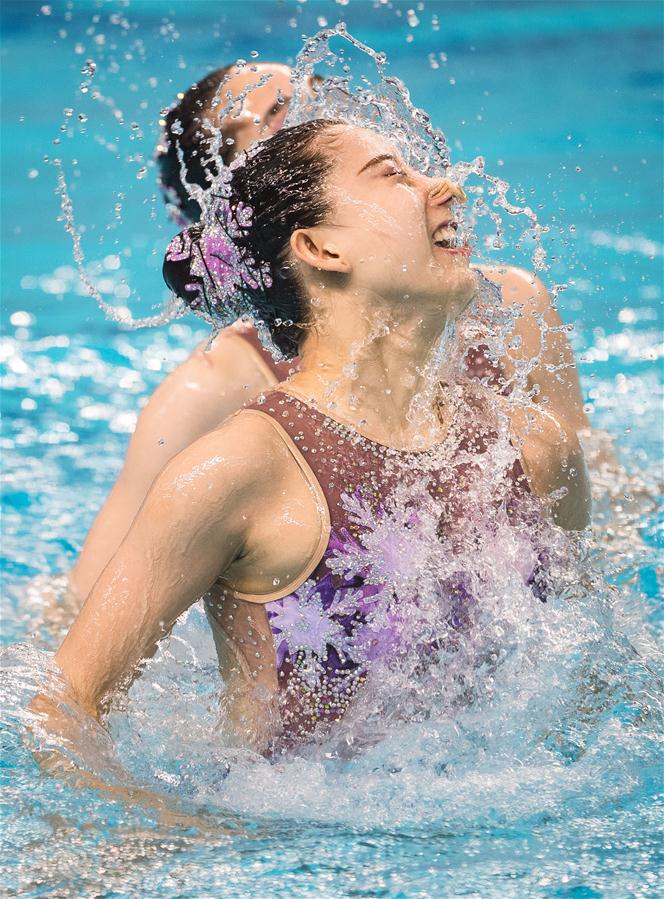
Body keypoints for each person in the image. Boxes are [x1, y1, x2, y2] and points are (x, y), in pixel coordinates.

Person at [38, 121, 591, 756]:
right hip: (280, 821)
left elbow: (585, 657)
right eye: (393, 175)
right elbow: (60, 707)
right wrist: (163, 814)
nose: (446, 186)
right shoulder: (239, 470)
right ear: (321, 248)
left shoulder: (528, 447)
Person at [65, 62, 590, 610]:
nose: (324, 116)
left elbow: (591, 501)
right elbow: (94, 591)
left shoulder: (508, 303)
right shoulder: (219, 385)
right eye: (282, 112)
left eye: (317, 95)